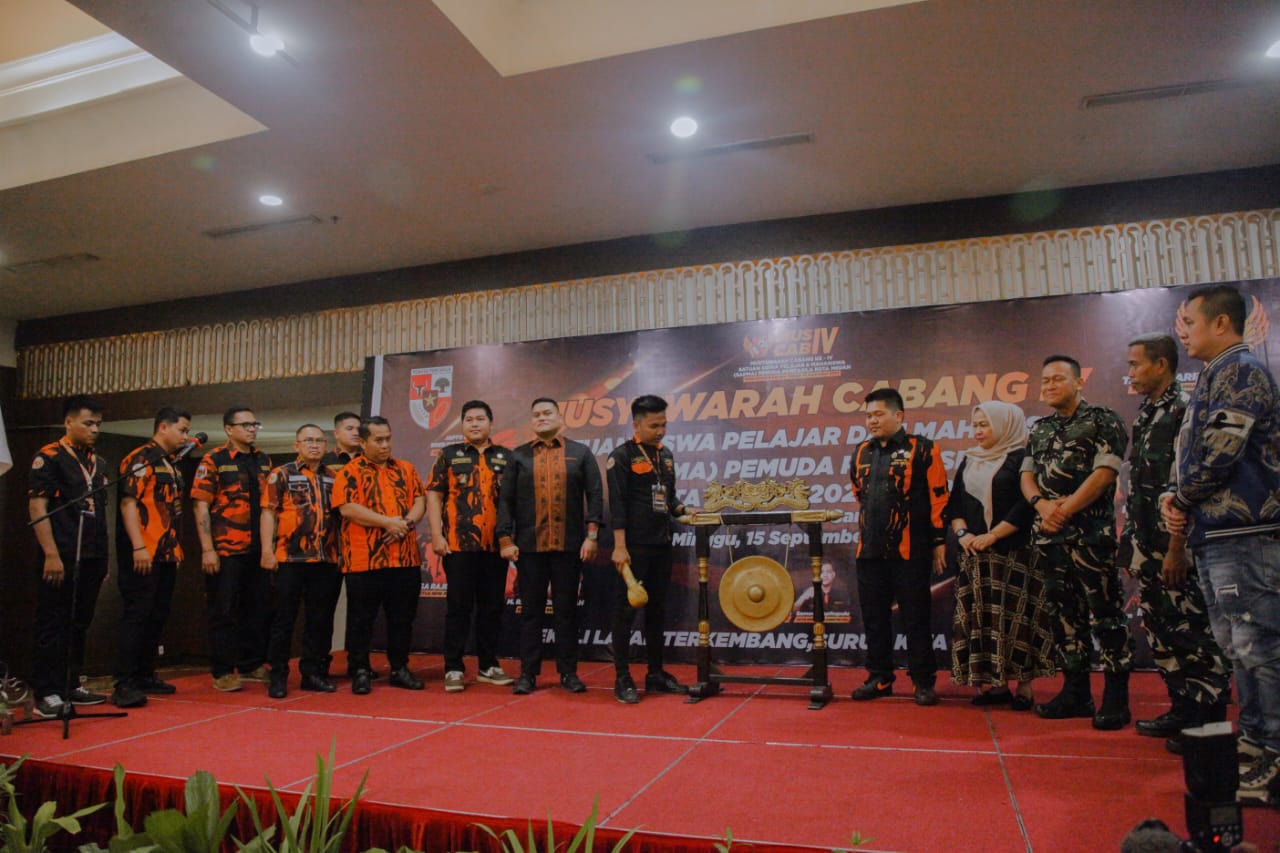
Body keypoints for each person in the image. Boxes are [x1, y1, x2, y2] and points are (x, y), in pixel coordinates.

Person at [1161, 284, 1280, 805]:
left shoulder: (1242, 372)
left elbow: (1221, 451)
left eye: (1189, 322)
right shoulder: (1216, 373)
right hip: (1217, 533)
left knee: (1261, 649)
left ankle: (1275, 756)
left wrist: (1181, 497)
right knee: (1239, 648)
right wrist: (1178, 499)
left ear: (1222, 324)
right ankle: (1254, 743)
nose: (1182, 332)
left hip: (1246, 534)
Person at [1123, 334, 1230, 744]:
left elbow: (1184, 487)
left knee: (1193, 633)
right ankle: (1183, 709)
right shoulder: (1147, 414)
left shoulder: (1184, 412)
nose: (1131, 373)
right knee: (1162, 630)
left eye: (1136, 364)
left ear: (1162, 365)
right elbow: (1140, 488)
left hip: (1176, 545)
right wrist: (1134, 545)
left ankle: (1208, 726)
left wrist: (1176, 547)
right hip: (1147, 544)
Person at [1021, 355, 1134, 729]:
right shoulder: (1039, 429)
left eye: (1057, 379)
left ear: (1079, 382)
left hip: (1090, 538)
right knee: (1063, 616)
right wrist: (1041, 506)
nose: (1049, 386)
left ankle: (1116, 699)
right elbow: (1026, 475)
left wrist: (1064, 510)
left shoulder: (1104, 420)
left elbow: (1105, 473)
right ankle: (1076, 692)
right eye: (1045, 380)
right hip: (1049, 538)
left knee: (1106, 616)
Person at [945, 401, 1054, 710]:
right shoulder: (970, 459)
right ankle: (997, 685)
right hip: (975, 555)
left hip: (1012, 554)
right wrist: (963, 534)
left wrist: (994, 535)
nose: (978, 431)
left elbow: (1025, 505)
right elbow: (955, 504)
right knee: (984, 620)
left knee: (1016, 620)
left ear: (1005, 425)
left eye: (985, 425)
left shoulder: (1022, 458)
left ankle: (1025, 688)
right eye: (975, 425)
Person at [848, 387, 948, 706]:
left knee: (915, 617)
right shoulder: (861, 451)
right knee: (874, 618)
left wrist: (939, 541)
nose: (872, 421)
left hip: (911, 552)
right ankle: (879, 677)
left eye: (878, 414)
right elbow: (858, 492)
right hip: (869, 552)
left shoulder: (924, 448)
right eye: (868, 416)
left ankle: (923, 681)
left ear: (898, 415)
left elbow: (939, 497)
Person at [497, 397, 604, 695]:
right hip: (529, 549)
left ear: (560, 418)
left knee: (566, 612)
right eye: (536, 414)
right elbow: (505, 501)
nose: (542, 417)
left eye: (547, 413)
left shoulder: (580, 453)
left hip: (569, 547)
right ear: (531, 422)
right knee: (530, 612)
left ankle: (568, 673)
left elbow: (595, 495)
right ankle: (528, 674)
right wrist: (505, 539)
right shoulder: (518, 456)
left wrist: (592, 536)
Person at [606, 395, 698, 704]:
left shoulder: (665, 455)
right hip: (632, 548)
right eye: (654, 425)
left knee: (657, 611)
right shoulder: (621, 456)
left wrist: (683, 509)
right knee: (625, 612)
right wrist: (620, 547)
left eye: (664, 425)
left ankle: (655, 674)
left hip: (662, 545)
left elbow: (668, 498)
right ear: (636, 425)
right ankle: (622, 677)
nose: (660, 431)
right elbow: (617, 506)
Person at [27, 395, 111, 718]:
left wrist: (103, 558)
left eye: (98, 425)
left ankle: (70, 682)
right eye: (88, 423)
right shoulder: (49, 457)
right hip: (61, 553)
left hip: (92, 554)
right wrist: (50, 553)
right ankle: (46, 692)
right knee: (54, 622)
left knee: (79, 622)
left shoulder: (98, 462)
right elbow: (38, 507)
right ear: (68, 422)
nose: (94, 430)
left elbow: (99, 512)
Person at [332, 416, 427, 695]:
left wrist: (405, 524)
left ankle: (399, 668)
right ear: (363, 442)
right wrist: (387, 523)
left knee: (402, 618)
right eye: (378, 440)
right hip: (364, 560)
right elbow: (347, 508)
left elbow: (419, 500)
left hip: (404, 558)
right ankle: (360, 669)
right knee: (361, 619)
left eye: (388, 439)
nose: (385, 445)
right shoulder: (349, 472)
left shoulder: (406, 469)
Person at [426, 400, 515, 692]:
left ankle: (488, 665)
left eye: (480, 419)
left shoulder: (507, 457)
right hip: (457, 546)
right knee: (458, 608)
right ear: (463, 424)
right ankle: (453, 667)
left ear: (491, 423)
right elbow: (434, 495)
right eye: (469, 420)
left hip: (496, 547)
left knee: (492, 609)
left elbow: (515, 501)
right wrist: (436, 536)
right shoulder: (449, 455)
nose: (474, 424)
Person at [111, 406, 192, 708]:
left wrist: (175, 549)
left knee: (158, 615)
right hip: (143, 551)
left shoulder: (171, 463)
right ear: (163, 427)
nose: (185, 436)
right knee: (137, 614)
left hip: (166, 552)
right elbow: (128, 504)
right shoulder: (141, 458)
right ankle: (124, 682)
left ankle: (145, 673)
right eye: (182, 430)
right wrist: (137, 546)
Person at [191, 407, 274, 692]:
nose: (252, 429)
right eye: (245, 425)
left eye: (255, 424)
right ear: (229, 429)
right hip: (226, 549)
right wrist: (207, 549)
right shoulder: (214, 459)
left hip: (258, 549)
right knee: (223, 611)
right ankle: (223, 670)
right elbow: (201, 505)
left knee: (257, 608)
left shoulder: (263, 460)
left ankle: (251, 663)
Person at [261, 424, 342, 698]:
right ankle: (278, 676)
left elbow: (341, 518)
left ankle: (312, 674)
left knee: (319, 620)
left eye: (319, 440)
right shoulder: (281, 474)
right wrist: (267, 551)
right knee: (283, 620)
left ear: (326, 446)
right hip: (289, 559)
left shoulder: (333, 477)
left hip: (325, 559)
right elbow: (268, 513)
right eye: (308, 440)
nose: (314, 445)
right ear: (297, 445)